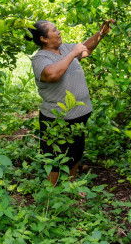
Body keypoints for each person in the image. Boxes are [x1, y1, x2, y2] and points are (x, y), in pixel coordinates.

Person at [27, 19, 114, 186]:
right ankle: (50, 196)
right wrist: (72, 54)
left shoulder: (64, 48)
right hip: (57, 118)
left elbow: (85, 49)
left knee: (75, 152)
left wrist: (101, 33)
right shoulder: (40, 58)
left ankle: (70, 188)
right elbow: (52, 75)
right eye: (54, 30)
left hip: (79, 116)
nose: (59, 31)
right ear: (44, 38)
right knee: (53, 157)